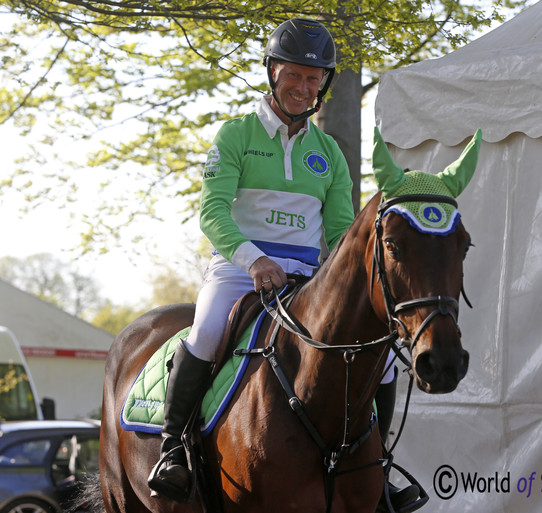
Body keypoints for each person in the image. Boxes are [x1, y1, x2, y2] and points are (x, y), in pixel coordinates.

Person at [147, 18, 416, 512]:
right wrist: (255, 259)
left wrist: (338, 280)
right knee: (205, 332)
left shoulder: (329, 152)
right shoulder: (235, 135)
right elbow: (213, 212)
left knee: (377, 360)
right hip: (239, 268)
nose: (303, 87)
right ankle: (172, 451)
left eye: (314, 79)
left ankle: (380, 467)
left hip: (308, 278)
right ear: (272, 72)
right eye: (294, 75)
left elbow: (337, 232)